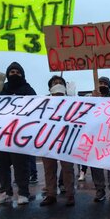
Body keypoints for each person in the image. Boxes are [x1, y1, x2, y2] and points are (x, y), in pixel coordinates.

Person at [0, 62, 36, 205]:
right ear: (7, 74)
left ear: (22, 74)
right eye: (12, 72)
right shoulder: (1, 89)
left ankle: (23, 193)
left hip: (20, 134)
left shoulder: (28, 90)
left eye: (17, 72)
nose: (14, 74)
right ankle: (5, 192)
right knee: (1, 164)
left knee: (21, 165)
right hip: (2, 133)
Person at [40, 75, 76, 207]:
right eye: (55, 83)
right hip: (47, 140)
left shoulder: (73, 102)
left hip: (66, 141)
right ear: (50, 88)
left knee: (68, 169)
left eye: (60, 82)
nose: (58, 84)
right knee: (49, 169)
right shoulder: (42, 102)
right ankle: (51, 195)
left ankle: (70, 195)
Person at [90, 76, 110, 203]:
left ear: (109, 86)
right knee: (95, 165)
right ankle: (100, 190)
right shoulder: (91, 99)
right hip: (96, 138)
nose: (102, 85)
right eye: (100, 83)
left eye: (105, 83)